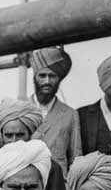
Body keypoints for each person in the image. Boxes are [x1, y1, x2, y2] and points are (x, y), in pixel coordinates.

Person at [0, 97, 68, 190]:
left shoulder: (50, 168)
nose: (14, 141)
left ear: (30, 134)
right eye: (9, 136)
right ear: (2, 136)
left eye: (20, 135)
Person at [29, 47, 82, 177]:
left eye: (52, 76)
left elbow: (76, 158)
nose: (47, 81)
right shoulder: (21, 110)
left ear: (59, 79)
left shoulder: (70, 115)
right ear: (35, 78)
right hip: (26, 186)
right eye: (42, 75)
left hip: (58, 188)